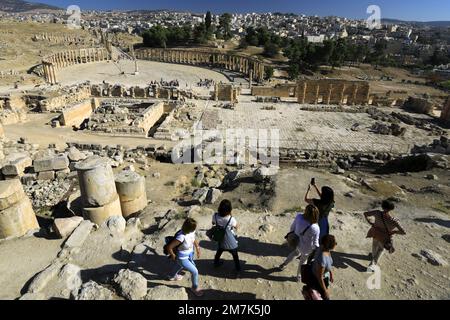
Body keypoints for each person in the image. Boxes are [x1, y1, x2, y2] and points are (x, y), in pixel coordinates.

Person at [278, 204, 320, 282]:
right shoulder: (315, 227)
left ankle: (283, 264)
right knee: (303, 261)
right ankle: (298, 277)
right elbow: (315, 242)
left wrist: (291, 235)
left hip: (296, 242)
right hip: (307, 248)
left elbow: (292, 227)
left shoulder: (299, 217)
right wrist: (316, 250)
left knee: (295, 253)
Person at [364, 200, 406, 271]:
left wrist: (370, 222)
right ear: (391, 209)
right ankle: (372, 264)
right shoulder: (394, 221)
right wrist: (394, 231)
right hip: (384, 237)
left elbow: (365, 214)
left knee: (374, 245)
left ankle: (373, 256)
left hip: (375, 232)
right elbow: (403, 232)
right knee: (380, 249)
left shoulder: (377, 212)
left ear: (382, 206)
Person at [166, 218, 203, 297]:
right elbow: (169, 247)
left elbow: (193, 239)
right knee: (195, 271)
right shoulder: (181, 237)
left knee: (179, 265)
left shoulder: (191, 231)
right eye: (194, 228)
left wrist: (197, 248)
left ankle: (172, 276)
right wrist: (173, 255)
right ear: (190, 228)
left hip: (189, 254)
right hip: (182, 257)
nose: (195, 229)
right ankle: (194, 288)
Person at [211, 200, 242, 275]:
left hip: (221, 238)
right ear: (229, 209)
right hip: (229, 239)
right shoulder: (231, 219)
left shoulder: (215, 216)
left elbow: (213, 223)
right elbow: (237, 227)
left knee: (220, 250)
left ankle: (216, 263)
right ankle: (238, 267)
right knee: (234, 253)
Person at [304, 234, 337, 300]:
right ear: (329, 245)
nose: (336, 244)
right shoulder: (323, 259)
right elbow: (319, 277)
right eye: (334, 242)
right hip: (318, 280)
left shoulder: (324, 248)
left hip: (323, 274)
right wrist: (325, 291)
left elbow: (329, 262)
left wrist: (331, 273)